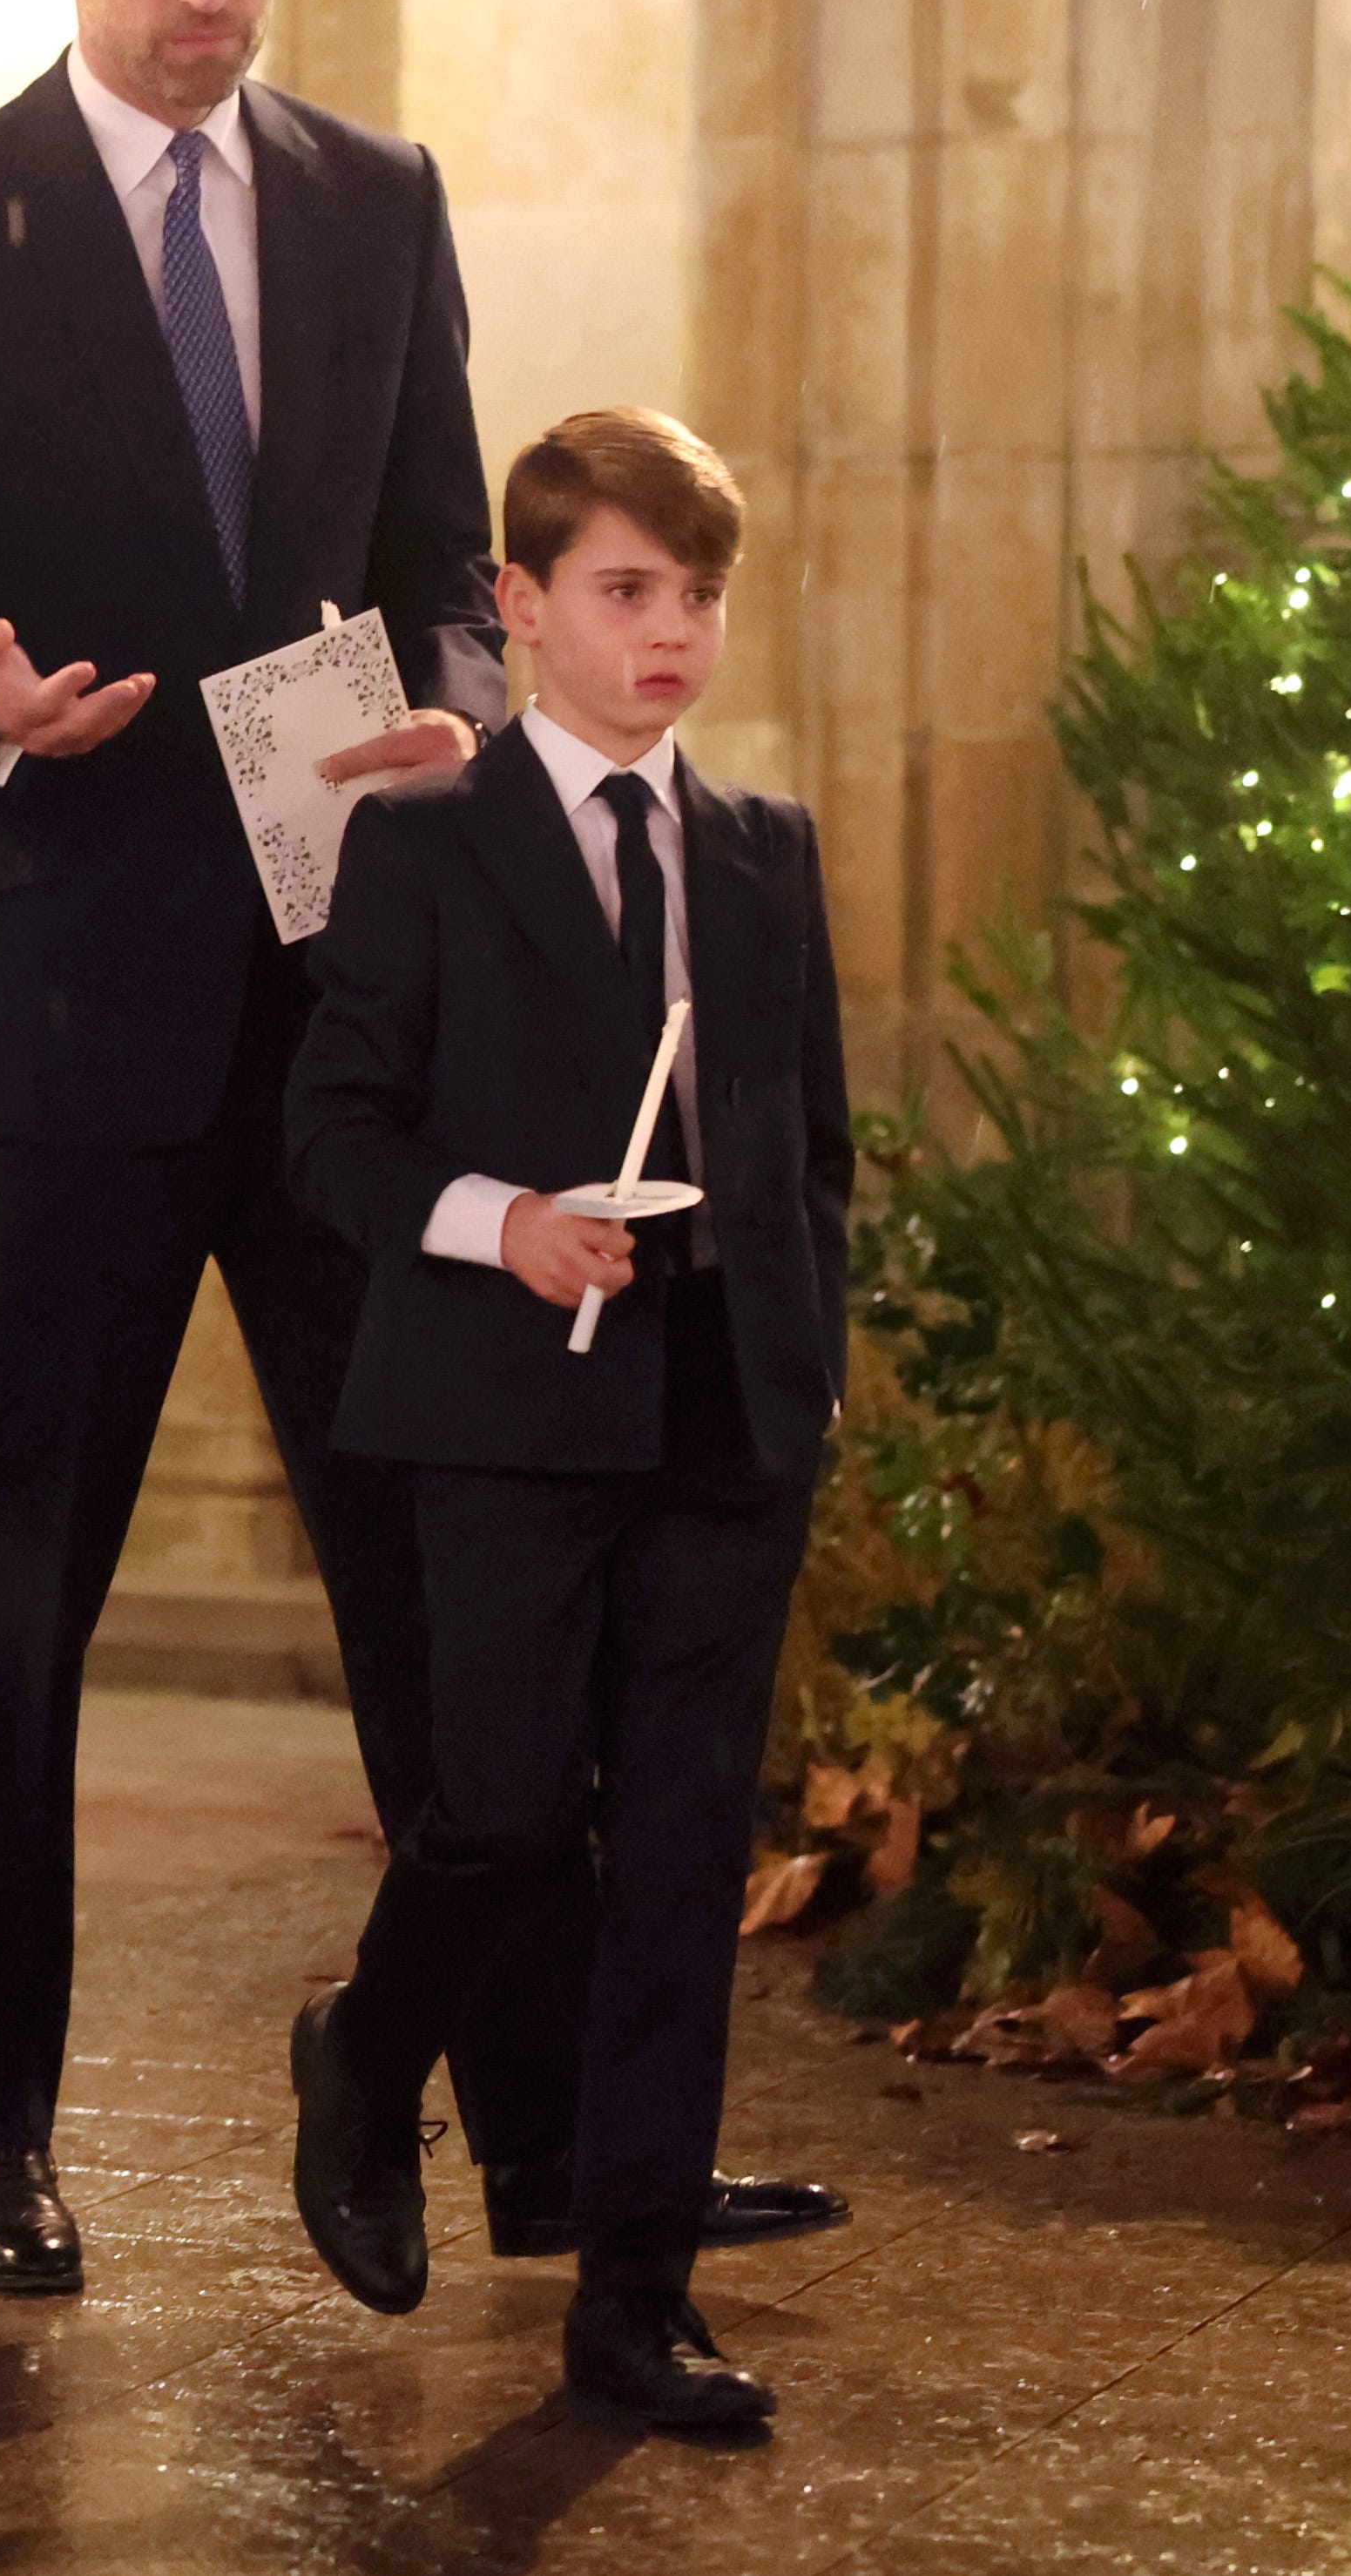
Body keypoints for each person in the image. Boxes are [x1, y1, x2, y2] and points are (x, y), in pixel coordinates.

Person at [0, 0, 513, 2293]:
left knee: (437, 1569)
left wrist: (458, 705)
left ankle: (488, 2108)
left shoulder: (373, 203)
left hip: (332, 1027)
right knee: (6, 1598)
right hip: (43, 1025)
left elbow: (449, 569)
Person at [281, 410, 852, 2430]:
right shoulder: (425, 845)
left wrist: (804, 1366)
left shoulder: (762, 852)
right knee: (504, 1810)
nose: (670, 631)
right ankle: (364, 2049)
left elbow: (811, 1156)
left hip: (720, 1420)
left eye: (696, 594)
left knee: (684, 1846)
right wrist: (500, 1222)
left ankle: (631, 2300)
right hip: (508, 1410)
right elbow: (330, 1131)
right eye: (624, 591)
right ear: (519, 607)